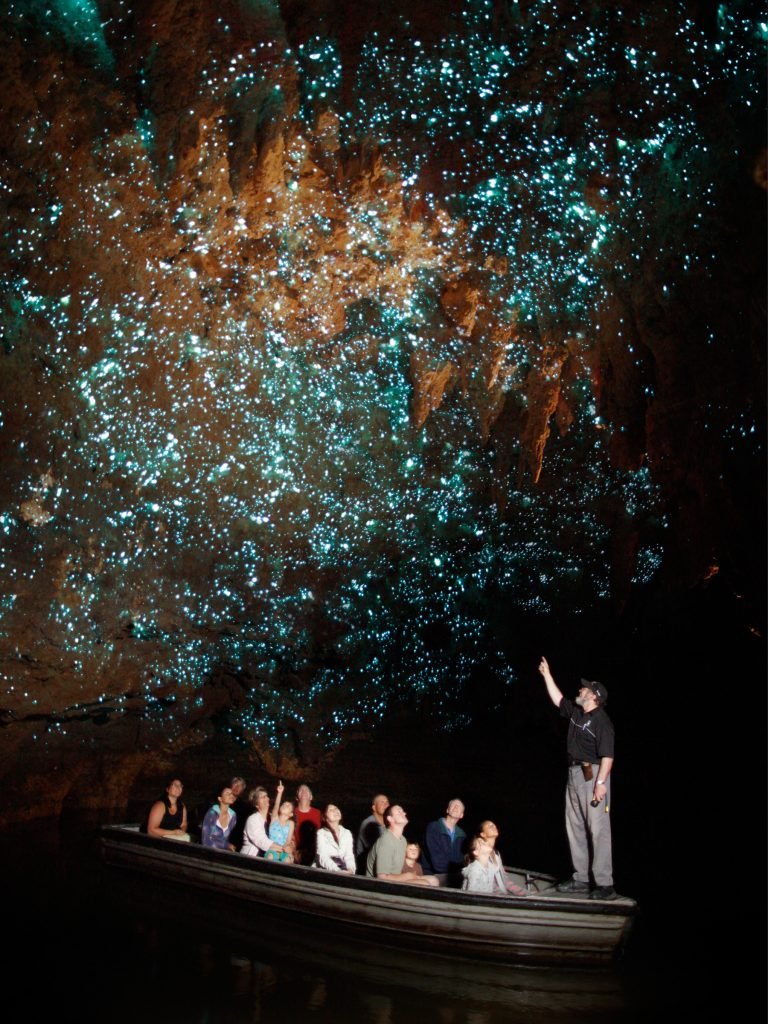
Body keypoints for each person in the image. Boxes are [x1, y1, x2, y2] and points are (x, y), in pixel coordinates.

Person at [538, 655, 616, 900]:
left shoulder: (602, 722)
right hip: (574, 774)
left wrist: (601, 784)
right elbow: (557, 699)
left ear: (594, 696)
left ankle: (604, 884)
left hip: (593, 777)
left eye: (585, 688)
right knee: (575, 827)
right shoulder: (576, 713)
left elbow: (608, 756)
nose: (580, 689)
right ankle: (580, 878)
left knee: (598, 830)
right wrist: (547, 675)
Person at [366, 805, 439, 886]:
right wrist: (407, 876)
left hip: (394, 879)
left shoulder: (403, 840)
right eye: (399, 812)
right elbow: (382, 878)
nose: (404, 813)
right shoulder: (386, 841)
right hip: (378, 885)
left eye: (403, 811)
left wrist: (411, 874)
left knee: (434, 880)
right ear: (390, 819)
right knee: (424, 883)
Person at [423, 798, 467, 885]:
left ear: (461, 815)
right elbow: (437, 863)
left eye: (459, 807)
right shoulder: (434, 827)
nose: (456, 807)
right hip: (433, 875)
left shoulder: (462, 835)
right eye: (453, 805)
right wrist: (457, 870)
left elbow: (462, 860)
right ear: (447, 810)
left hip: (452, 875)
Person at [241, 782, 289, 859]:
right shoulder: (252, 820)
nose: (266, 798)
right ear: (256, 804)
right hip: (251, 859)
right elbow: (261, 841)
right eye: (262, 797)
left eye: (266, 796)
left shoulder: (271, 818)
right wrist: (283, 849)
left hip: (272, 857)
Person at [478, 821, 527, 896]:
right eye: (490, 826)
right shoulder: (480, 853)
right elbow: (488, 884)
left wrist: (525, 893)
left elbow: (506, 881)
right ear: (483, 834)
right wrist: (504, 896)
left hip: (501, 895)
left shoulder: (496, 853)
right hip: (487, 897)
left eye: (494, 825)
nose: (494, 827)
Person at [314, 804, 356, 872]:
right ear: (325, 818)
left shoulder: (347, 833)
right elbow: (323, 857)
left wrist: (350, 869)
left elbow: (349, 856)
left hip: (343, 871)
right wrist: (338, 871)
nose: (335, 811)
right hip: (324, 871)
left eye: (336, 808)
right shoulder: (321, 833)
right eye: (331, 810)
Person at [354, 793, 389, 873]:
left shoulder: (389, 824)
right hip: (366, 867)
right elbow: (375, 850)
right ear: (374, 807)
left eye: (387, 802)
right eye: (382, 802)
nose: (385, 804)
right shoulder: (368, 823)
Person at [201, 785, 238, 851]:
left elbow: (226, 838)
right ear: (220, 798)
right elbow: (206, 840)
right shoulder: (212, 814)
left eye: (232, 793)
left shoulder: (233, 816)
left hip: (223, 852)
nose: (231, 795)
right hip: (209, 851)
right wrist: (226, 845)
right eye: (227, 793)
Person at [293, 784, 322, 865]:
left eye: (307, 790)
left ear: (311, 797)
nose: (304, 792)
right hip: (295, 852)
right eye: (301, 790)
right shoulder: (291, 813)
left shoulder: (318, 813)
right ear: (296, 797)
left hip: (315, 853)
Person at [228, 775, 249, 850]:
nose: (237, 787)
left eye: (240, 786)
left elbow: (240, 828)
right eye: (235, 784)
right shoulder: (221, 801)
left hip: (234, 843)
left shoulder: (244, 807)